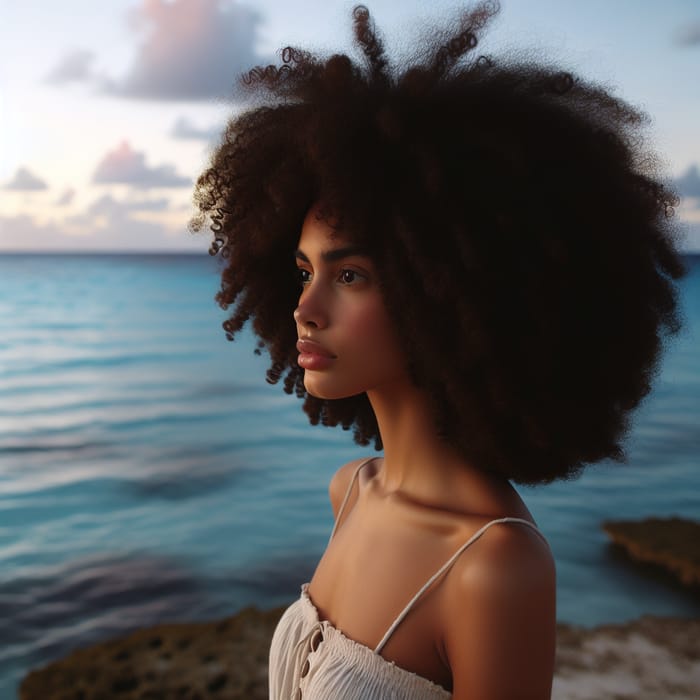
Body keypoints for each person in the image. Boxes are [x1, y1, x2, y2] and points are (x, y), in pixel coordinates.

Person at [190, 2, 686, 697]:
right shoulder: (352, 492)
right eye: (305, 272)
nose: (304, 309)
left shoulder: (494, 565)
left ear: (452, 287)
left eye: (351, 275)